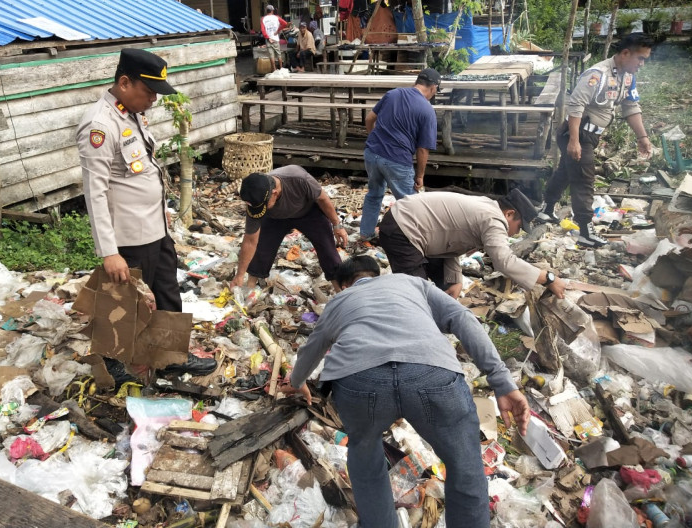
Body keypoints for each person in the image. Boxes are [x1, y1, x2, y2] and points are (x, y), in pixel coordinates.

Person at [284, 255, 530, 528]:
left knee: (366, 460)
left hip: (360, 382)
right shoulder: (410, 283)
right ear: (377, 274)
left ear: (343, 285)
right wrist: (502, 382)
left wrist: (297, 380)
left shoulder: (339, 301)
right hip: (432, 373)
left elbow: (313, 348)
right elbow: (462, 317)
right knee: (465, 465)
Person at [76, 48, 215, 375]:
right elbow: (95, 193)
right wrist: (109, 252)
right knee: (122, 306)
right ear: (124, 82)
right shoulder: (99, 124)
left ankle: (171, 359)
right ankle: (113, 369)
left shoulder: (132, 113)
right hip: (127, 237)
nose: (153, 98)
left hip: (155, 229)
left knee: (167, 295)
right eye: (148, 91)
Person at [542, 33, 654, 248]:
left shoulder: (628, 76)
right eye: (640, 59)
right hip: (576, 134)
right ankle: (584, 230)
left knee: (566, 172)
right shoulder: (597, 75)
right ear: (625, 53)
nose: (641, 64)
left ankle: (546, 210)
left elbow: (631, 107)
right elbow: (576, 105)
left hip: (591, 135)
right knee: (584, 180)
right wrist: (574, 141)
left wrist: (643, 138)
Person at [378, 189, 567, 299]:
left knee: (446, 287)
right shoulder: (494, 219)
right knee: (414, 293)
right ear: (509, 214)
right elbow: (504, 262)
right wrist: (548, 278)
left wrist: (454, 280)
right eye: (519, 226)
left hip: (412, 227)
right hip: (404, 227)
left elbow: (450, 242)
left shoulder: (487, 207)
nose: (517, 232)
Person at [230, 166, 348, 291]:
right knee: (262, 248)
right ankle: (250, 288)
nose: (259, 209)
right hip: (275, 219)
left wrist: (337, 225)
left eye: (264, 206)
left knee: (327, 248)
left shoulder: (299, 179)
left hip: (308, 213)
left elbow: (323, 199)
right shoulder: (256, 200)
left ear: (274, 193)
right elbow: (250, 241)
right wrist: (239, 275)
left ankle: (341, 291)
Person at [358, 68, 440, 241]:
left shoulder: (393, 94)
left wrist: (374, 139)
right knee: (410, 204)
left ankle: (365, 234)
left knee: (373, 194)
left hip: (372, 153)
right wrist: (420, 175)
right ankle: (415, 240)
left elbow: (369, 119)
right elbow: (423, 149)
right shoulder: (427, 110)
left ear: (417, 82)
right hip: (397, 160)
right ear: (433, 88)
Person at [260, 4, 288, 72]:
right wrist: (278, 30)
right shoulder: (276, 17)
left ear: (266, 11)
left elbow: (263, 30)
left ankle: (274, 69)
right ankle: (281, 68)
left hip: (268, 39)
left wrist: (268, 37)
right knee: (279, 54)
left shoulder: (263, 19)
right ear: (272, 11)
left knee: (271, 55)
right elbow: (285, 23)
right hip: (275, 38)